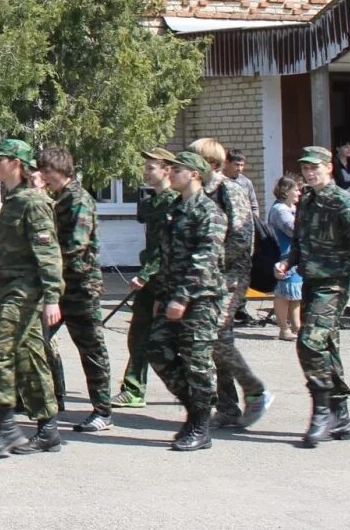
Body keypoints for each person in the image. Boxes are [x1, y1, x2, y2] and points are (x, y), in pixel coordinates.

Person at [278, 146, 350, 447]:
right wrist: (287, 262)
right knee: (327, 347)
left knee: (309, 343)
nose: (309, 173)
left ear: (329, 168)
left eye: (314, 167)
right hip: (311, 282)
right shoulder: (306, 201)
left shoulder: (345, 202)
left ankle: (322, 411)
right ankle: (341, 416)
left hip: (335, 283)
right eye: (305, 168)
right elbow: (300, 242)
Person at [0, 139, 63, 460]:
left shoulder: (34, 203)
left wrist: (52, 298)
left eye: (0, 159)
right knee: (29, 357)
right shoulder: (12, 201)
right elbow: (2, 248)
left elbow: (49, 254)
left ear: (17, 163)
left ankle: (6, 427)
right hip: (9, 289)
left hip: (26, 294)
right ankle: (49, 428)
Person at [144, 148, 227, 452]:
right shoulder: (175, 209)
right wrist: (161, 295)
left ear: (194, 174)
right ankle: (194, 407)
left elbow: (204, 260)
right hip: (172, 296)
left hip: (200, 300)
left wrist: (181, 297)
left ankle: (201, 425)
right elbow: (167, 259)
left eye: (176, 169)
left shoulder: (210, 212)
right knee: (157, 350)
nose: (171, 173)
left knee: (196, 361)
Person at [190, 137, 270, 430]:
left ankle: (254, 392)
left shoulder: (229, 191)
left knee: (215, 338)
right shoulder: (201, 192)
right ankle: (228, 408)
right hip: (208, 277)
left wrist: (212, 260)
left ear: (211, 163)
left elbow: (241, 237)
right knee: (215, 342)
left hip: (230, 277)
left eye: (194, 158)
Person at [37, 146, 111, 432]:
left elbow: (76, 245)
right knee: (37, 340)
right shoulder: (61, 199)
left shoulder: (78, 199)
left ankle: (103, 411)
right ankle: (53, 398)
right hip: (61, 287)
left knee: (91, 350)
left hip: (81, 287)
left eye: (46, 171)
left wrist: (47, 260)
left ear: (59, 171)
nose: (43, 176)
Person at [111, 150, 176, 408]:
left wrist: (145, 274)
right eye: (146, 168)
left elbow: (165, 247)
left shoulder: (174, 202)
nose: (145, 173)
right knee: (139, 333)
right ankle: (134, 389)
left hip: (166, 278)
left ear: (167, 170)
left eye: (151, 168)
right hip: (151, 279)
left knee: (171, 339)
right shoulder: (151, 203)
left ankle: (205, 390)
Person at [267, 175, 304, 339]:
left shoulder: (291, 208)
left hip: (293, 256)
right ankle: (283, 329)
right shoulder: (280, 210)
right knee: (283, 293)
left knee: (294, 293)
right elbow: (295, 230)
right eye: (296, 189)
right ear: (286, 191)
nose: (299, 192)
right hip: (283, 255)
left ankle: (296, 326)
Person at [226, 152, 261, 220]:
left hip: (243, 224)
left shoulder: (246, 183)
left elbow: (254, 205)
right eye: (237, 165)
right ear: (227, 163)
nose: (240, 169)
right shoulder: (220, 181)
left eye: (242, 165)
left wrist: (255, 221)